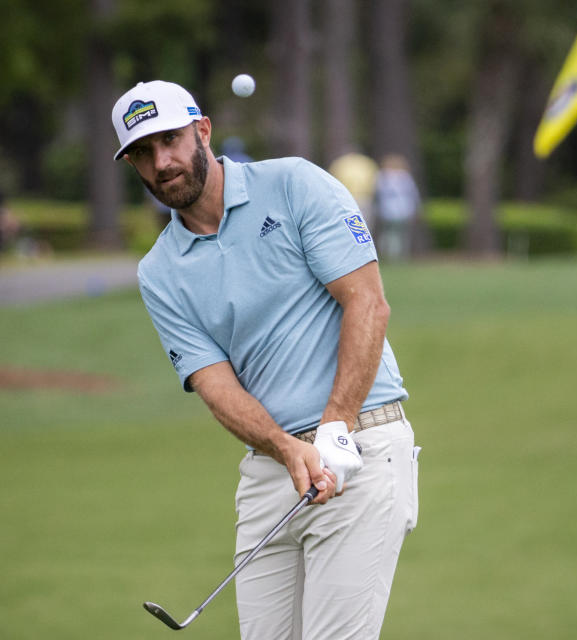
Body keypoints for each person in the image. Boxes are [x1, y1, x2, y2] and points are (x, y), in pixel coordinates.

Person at [110, 80, 418, 639]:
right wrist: (285, 447)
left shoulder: (294, 183)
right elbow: (214, 383)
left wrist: (337, 427)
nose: (163, 162)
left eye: (172, 140)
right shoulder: (159, 272)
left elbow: (368, 303)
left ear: (202, 130)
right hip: (271, 467)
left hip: (360, 446)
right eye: (143, 153)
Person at [374, 154, 420, 261]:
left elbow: (377, 194)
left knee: (388, 233)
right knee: (401, 234)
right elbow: (413, 194)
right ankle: (399, 255)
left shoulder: (382, 176)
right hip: (404, 209)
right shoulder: (405, 176)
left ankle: (388, 253)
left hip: (387, 210)